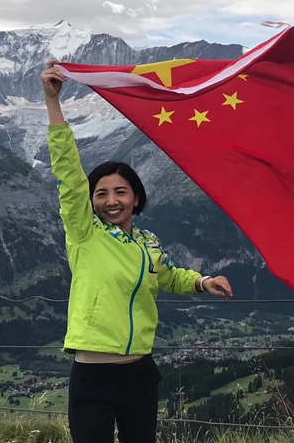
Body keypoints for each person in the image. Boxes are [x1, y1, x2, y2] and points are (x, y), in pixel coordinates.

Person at [41, 60, 233, 443]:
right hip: (93, 373)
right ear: (90, 202)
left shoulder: (148, 243)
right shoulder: (84, 233)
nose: (111, 201)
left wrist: (202, 282)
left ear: (136, 199)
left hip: (140, 371)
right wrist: (52, 103)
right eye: (101, 194)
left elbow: (168, 275)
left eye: (120, 192)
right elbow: (69, 176)